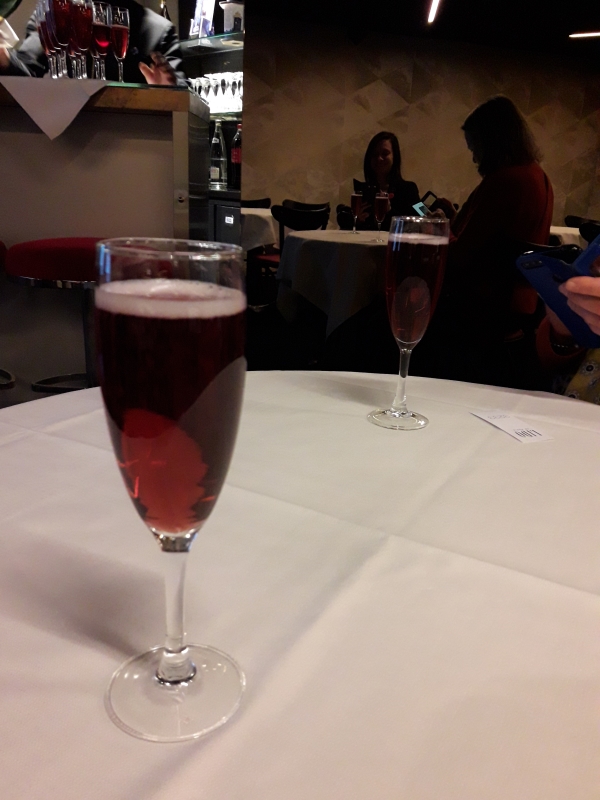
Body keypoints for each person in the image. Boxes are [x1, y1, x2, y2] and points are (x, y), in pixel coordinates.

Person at [419, 95, 554, 388]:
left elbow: (461, 256)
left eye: (475, 148)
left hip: (483, 306)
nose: (474, 158)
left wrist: (438, 229)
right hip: (523, 305)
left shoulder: (503, 182)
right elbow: (494, 241)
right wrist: (454, 218)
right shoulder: (538, 177)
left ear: (491, 142)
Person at [0, 0, 186, 85]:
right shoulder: (55, 14)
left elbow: (184, 101)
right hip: (58, 144)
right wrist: (5, 59)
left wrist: (168, 90)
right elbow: (28, 68)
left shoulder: (158, 31)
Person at [337, 131, 419, 231]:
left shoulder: (409, 189)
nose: (379, 158)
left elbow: (422, 214)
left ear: (394, 156)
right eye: (375, 154)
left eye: (385, 153)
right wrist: (357, 221)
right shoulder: (364, 191)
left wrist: (389, 212)